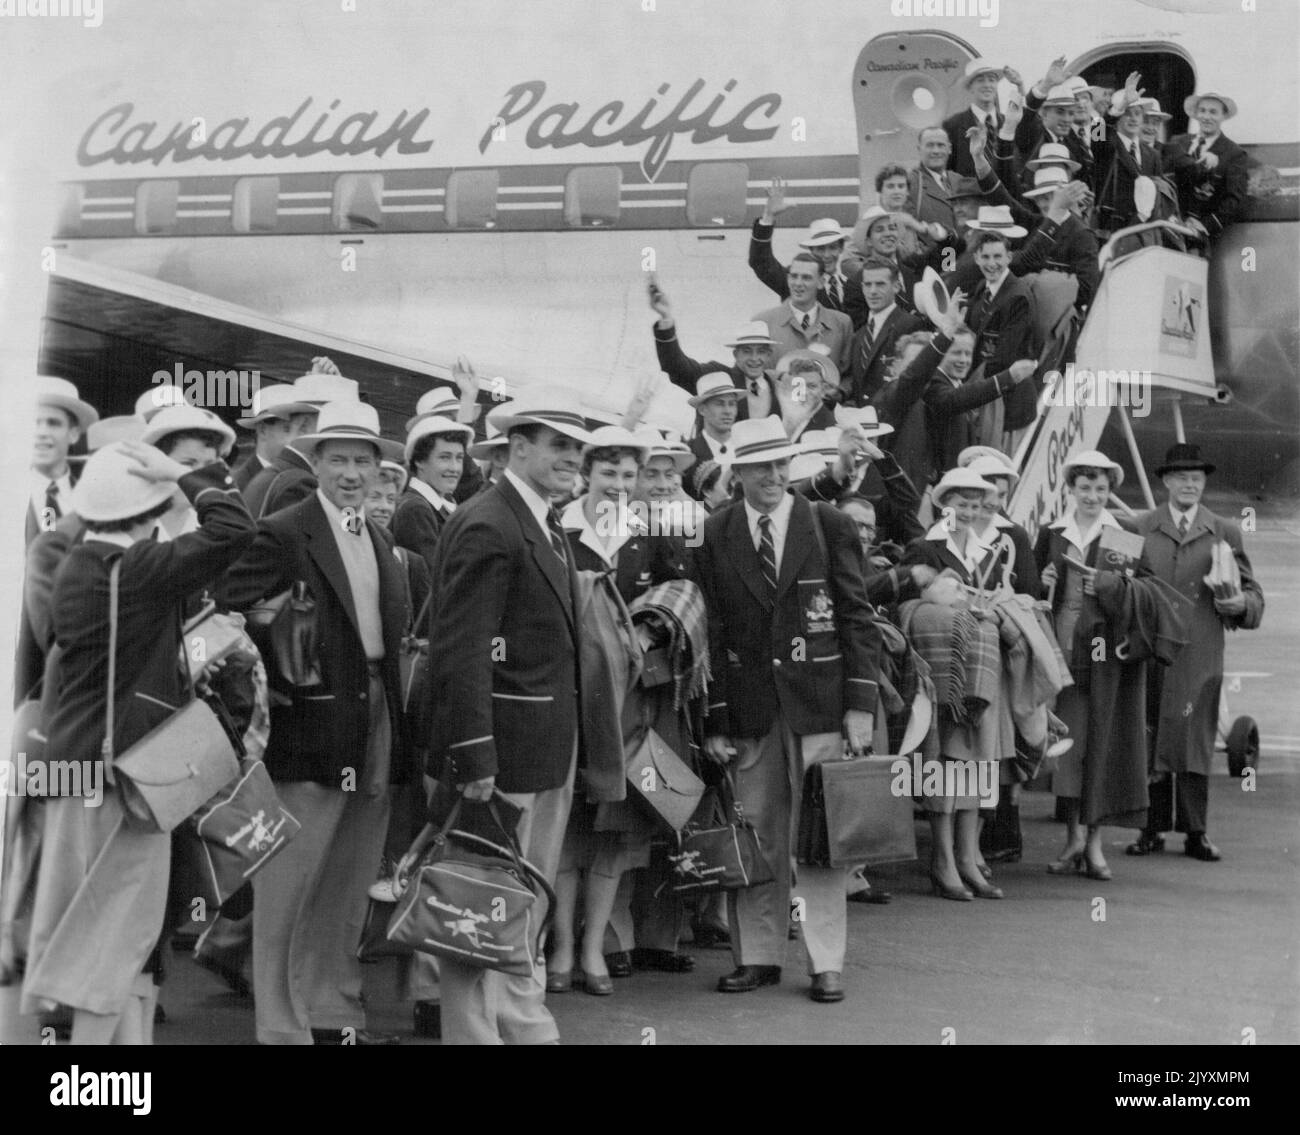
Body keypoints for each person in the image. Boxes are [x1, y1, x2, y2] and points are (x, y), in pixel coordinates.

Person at [21, 441, 253, 1044]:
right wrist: (182, 474)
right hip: (126, 774)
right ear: (149, 508)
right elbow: (234, 528)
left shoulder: (77, 562)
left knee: (113, 923)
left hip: (76, 763)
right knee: (116, 929)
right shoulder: (142, 570)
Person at [224, 400, 412, 1045]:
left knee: (350, 874)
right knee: (288, 880)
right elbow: (222, 611)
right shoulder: (283, 529)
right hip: (306, 728)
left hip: (376, 718)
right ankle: (280, 1024)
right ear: (318, 462)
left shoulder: (380, 538)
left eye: (365, 460)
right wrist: (273, 676)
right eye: (339, 460)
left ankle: (333, 1009)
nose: (354, 473)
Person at [418, 386, 593, 1044]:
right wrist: (475, 755)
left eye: (577, 447)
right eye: (558, 445)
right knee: (477, 904)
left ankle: (521, 1023)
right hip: (502, 753)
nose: (571, 457)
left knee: (524, 900)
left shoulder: (538, 518)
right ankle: (475, 1034)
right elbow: (460, 651)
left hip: (543, 746)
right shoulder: (492, 521)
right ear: (518, 449)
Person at [692, 416, 882, 1004]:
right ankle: (758, 956)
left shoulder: (827, 524)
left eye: (781, 465)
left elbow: (856, 617)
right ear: (738, 473)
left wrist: (859, 706)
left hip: (820, 707)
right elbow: (712, 630)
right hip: (751, 713)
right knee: (757, 838)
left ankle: (826, 962)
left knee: (822, 838)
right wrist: (718, 721)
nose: (773, 476)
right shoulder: (715, 533)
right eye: (759, 467)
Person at [550, 427, 693, 994]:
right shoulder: (558, 527)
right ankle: (561, 947)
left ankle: (593, 951)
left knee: (614, 825)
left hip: (632, 701)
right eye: (609, 473)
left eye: (629, 476)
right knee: (566, 828)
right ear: (588, 474)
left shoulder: (653, 533)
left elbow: (683, 596)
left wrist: (649, 633)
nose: (620, 485)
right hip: (568, 696)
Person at [1035, 451, 1183, 881]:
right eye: (1085, 488)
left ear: (1109, 491)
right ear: (1072, 489)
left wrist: (1107, 584)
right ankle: (1073, 840)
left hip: (1105, 651)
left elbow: (1151, 591)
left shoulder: (1123, 532)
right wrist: (1042, 582)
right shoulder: (1053, 533)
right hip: (1061, 650)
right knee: (1070, 749)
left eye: (1101, 489)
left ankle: (1095, 843)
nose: (1093, 496)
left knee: (1101, 744)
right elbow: (1030, 588)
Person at [1127, 444, 1264, 862]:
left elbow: (1251, 592)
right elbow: (1117, 581)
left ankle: (1195, 832)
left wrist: (1241, 606)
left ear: (1204, 483)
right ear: (1166, 481)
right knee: (1149, 734)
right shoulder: (1137, 526)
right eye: (1181, 477)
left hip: (1201, 650)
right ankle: (1149, 829)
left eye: (1197, 478)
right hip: (1150, 649)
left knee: (1196, 738)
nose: (1190, 484)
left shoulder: (1225, 530)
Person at [900, 467, 1008, 901]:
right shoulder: (925, 546)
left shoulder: (989, 549)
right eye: (960, 503)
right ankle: (943, 860)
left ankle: (968, 856)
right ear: (945, 505)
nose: (968, 512)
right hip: (942, 669)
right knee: (943, 762)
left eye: (976, 505)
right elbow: (906, 599)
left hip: (984, 668)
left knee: (976, 762)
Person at [650, 282, 779, 422]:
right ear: (735, 355)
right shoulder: (717, 377)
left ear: (768, 355)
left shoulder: (779, 386)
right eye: (747, 351)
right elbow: (676, 367)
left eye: (760, 351)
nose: (754, 358)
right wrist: (666, 319)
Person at [241, 363, 354, 518]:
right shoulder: (299, 484)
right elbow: (346, 536)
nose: (342, 440)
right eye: (332, 427)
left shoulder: (280, 474)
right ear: (304, 425)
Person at [750, 184, 865, 327]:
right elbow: (760, 262)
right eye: (820, 249)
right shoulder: (797, 281)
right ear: (811, 250)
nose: (827, 255)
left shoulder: (854, 285)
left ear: (841, 248)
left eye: (832, 248)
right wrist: (768, 216)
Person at [962, 223, 1039, 439]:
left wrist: (965, 389)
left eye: (998, 256)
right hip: (986, 392)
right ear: (977, 258)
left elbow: (1005, 356)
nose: (992, 263)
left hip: (1010, 403)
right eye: (985, 257)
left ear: (1009, 257)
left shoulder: (1018, 297)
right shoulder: (982, 288)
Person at [1161, 91, 1249, 248]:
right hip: (1169, 231)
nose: (1206, 117)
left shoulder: (1234, 154)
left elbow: (1235, 200)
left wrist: (1204, 225)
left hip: (1202, 239)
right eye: (1202, 111)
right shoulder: (1177, 142)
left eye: (1213, 112)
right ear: (1195, 114)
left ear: (1224, 116)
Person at [392, 414, 474, 575]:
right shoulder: (415, 509)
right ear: (419, 461)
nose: (455, 468)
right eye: (444, 458)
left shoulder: (442, 505)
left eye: (459, 458)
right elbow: (434, 578)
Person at [753, 253, 854, 375]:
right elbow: (749, 372)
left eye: (806, 278)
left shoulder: (841, 323)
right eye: (794, 276)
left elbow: (849, 375)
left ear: (821, 282)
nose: (798, 283)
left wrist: (839, 392)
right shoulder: (763, 323)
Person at [1091, 72, 1165, 237]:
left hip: (1141, 233)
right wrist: (1120, 106)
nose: (1133, 118)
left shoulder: (1152, 154)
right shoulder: (1106, 143)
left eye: (1137, 113)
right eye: (1127, 113)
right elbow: (1097, 132)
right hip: (1109, 230)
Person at [846, 258, 927, 407]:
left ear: (896, 286)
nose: (873, 291)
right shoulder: (860, 334)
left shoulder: (910, 325)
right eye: (868, 285)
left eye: (880, 284)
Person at [231, 384, 316, 495]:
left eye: (302, 430)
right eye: (287, 429)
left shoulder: (306, 477)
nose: (297, 439)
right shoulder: (237, 487)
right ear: (262, 430)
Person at [943, 60, 1008, 179]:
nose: (987, 85)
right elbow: (947, 170)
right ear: (970, 87)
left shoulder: (1008, 123)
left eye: (992, 80)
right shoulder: (953, 125)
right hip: (971, 195)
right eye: (980, 80)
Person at [682, 373, 739, 497]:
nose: (728, 411)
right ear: (702, 410)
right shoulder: (688, 453)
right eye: (719, 404)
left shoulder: (746, 447)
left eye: (732, 404)